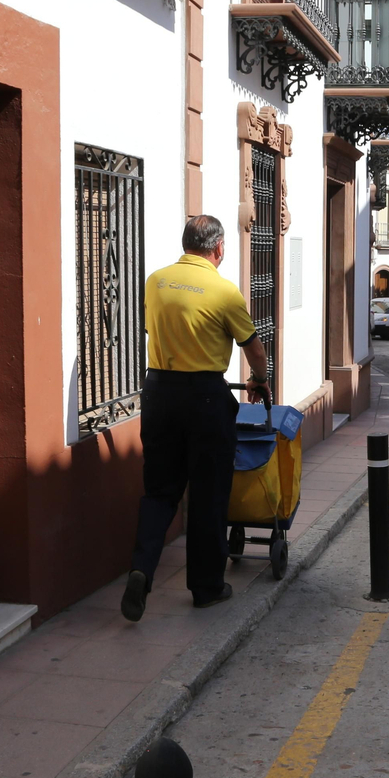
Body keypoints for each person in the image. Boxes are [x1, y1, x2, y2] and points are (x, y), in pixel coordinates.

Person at [121, 215, 271, 622]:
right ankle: (206, 588)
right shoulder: (224, 292)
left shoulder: (155, 281)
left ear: (186, 243)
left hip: (158, 393)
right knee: (208, 493)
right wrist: (260, 380)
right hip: (205, 396)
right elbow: (254, 350)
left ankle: (141, 570)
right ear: (219, 248)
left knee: (159, 491)